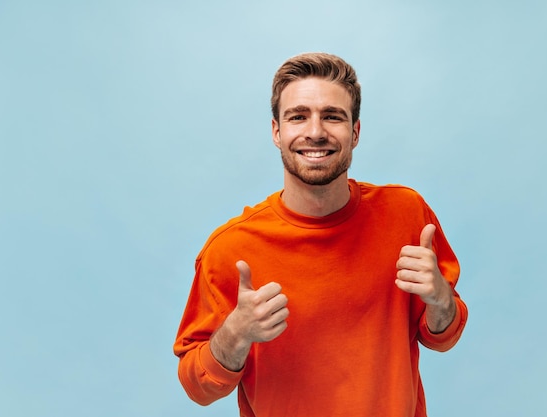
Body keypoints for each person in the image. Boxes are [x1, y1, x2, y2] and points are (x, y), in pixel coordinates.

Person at [173, 52, 468, 417]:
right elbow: (196, 387)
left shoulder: (407, 214)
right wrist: (235, 333)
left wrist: (440, 300)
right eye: (298, 116)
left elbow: (444, 336)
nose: (315, 132)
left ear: (355, 132)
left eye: (332, 116)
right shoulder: (230, 250)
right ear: (276, 132)